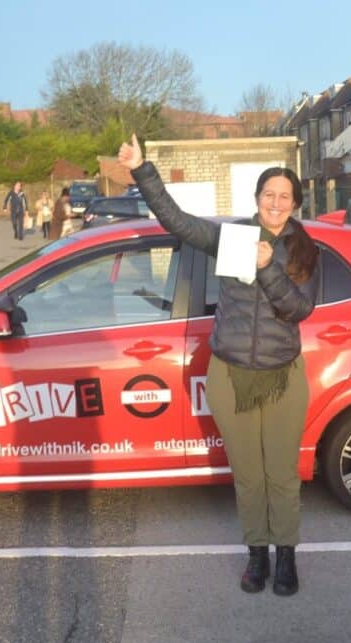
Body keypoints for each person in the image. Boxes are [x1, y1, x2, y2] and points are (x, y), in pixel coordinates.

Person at [118, 134, 319, 597]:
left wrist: (268, 266)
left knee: (281, 474)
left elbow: (298, 310)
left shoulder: (305, 251)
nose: (275, 202)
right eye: (268, 194)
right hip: (230, 376)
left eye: (284, 196)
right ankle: (257, 557)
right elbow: (180, 224)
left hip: (282, 377)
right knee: (248, 473)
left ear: (294, 204)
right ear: (256, 199)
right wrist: (142, 170)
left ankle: (286, 557)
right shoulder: (234, 237)